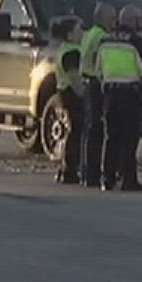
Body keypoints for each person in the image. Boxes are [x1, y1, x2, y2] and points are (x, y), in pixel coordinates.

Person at [95, 5, 142, 192]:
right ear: (133, 21)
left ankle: (107, 179)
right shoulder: (136, 41)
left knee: (111, 137)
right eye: (139, 19)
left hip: (110, 94)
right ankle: (128, 179)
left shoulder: (105, 40)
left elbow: (98, 69)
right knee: (129, 139)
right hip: (131, 94)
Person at [78, 3, 118, 188]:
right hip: (96, 84)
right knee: (97, 131)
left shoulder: (89, 34)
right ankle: (93, 173)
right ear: (101, 18)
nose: (114, 22)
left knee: (89, 130)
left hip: (88, 83)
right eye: (111, 18)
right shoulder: (101, 37)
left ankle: (86, 172)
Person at [47, 16, 85, 185]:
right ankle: (70, 169)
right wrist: (84, 94)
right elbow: (74, 77)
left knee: (72, 132)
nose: (82, 33)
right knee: (76, 133)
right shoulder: (72, 52)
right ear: (70, 34)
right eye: (79, 30)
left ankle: (66, 169)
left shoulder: (65, 49)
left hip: (64, 93)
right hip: (71, 95)